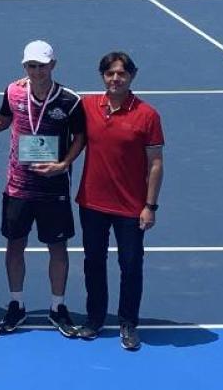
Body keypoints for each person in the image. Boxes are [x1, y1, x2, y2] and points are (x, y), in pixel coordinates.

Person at [0, 40, 86, 337]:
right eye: (31, 66)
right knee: (14, 246)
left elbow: (81, 138)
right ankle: (16, 304)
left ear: (53, 65)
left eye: (42, 66)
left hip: (54, 188)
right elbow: (2, 121)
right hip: (18, 187)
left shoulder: (70, 101)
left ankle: (58, 307)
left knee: (57, 249)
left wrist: (63, 164)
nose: (36, 71)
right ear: (24, 67)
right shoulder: (12, 91)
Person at [75, 51, 164, 351]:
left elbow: (155, 163)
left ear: (131, 77)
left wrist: (150, 206)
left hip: (130, 208)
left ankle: (128, 323)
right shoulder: (88, 105)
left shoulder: (147, 115)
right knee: (93, 263)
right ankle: (95, 319)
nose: (115, 78)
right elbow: (56, 108)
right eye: (110, 73)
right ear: (103, 76)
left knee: (131, 266)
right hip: (92, 203)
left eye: (121, 74)